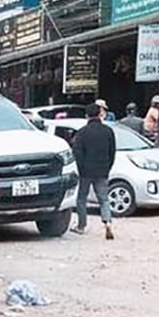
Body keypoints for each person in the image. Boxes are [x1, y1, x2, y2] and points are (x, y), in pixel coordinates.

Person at [72, 103, 116, 240]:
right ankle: (107, 222)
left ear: (87, 116)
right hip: (102, 170)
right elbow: (112, 152)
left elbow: (77, 153)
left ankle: (81, 225)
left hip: (85, 171)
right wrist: (107, 167)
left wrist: (81, 169)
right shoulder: (108, 131)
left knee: (81, 199)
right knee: (104, 199)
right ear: (100, 114)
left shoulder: (82, 133)